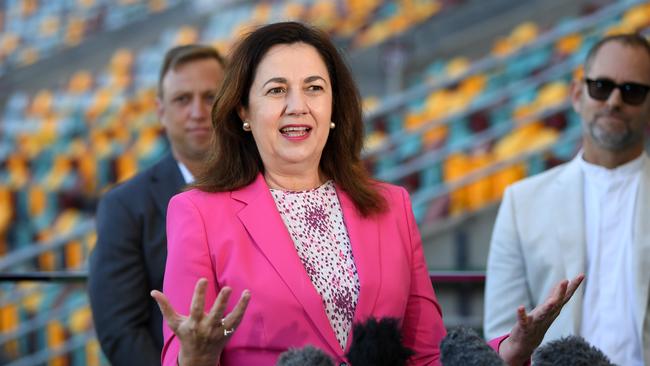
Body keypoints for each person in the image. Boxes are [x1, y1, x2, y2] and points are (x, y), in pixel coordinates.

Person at [151, 22, 582, 366]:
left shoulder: (391, 206)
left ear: (335, 108)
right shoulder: (198, 212)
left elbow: (427, 354)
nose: (297, 105)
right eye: (277, 90)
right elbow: (182, 352)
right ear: (244, 110)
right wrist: (198, 354)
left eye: (314, 88)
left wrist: (508, 352)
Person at [484, 33, 650, 366]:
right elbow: (501, 339)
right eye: (600, 87)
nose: (614, 101)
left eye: (632, 91)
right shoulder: (522, 203)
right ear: (577, 94)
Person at [88, 44, 226, 366]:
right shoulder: (123, 207)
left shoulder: (267, 183)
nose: (197, 111)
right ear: (161, 112)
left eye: (210, 97)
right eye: (182, 99)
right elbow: (120, 330)